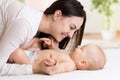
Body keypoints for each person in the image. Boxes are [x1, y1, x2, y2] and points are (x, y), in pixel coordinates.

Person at [0, 0, 86, 76]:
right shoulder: (25, 24)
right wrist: (36, 67)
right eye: (71, 27)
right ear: (57, 15)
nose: (71, 35)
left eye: (74, 31)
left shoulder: (35, 28)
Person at [8, 43, 106, 75]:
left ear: (82, 62)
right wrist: (52, 46)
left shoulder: (70, 64)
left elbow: (57, 68)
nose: (79, 45)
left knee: (16, 52)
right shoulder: (69, 55)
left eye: (82, 48)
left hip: (31, 61)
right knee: (26, 45)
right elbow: (58, 51)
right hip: (32, 53)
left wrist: (53, 64)